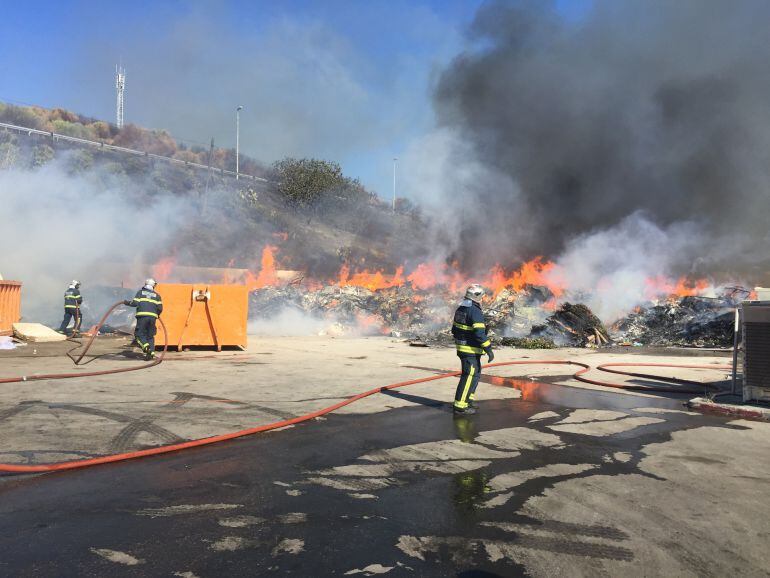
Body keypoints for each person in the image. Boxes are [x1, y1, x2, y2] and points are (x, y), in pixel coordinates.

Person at [451, 284, 494, 414]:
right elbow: (479, 334)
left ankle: (468, 400)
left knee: (475, 375)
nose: (482, 298)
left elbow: (454, 329)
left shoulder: (461, 307)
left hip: (463, 347)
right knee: (469, 375)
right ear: (476, 296)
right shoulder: (474, 311)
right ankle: (460, 406)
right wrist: (489, 349)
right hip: (470, 349)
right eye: (481, 296)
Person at [124, 278, 163, 360]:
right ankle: (151, 353)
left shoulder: (140, 293)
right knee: (150, 336)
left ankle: (146, 348)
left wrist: (127, 303)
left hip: (142, 317)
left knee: (139, 335)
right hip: (152, 318)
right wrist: (157, 315)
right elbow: (160, 308)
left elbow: (134, 303)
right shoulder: (157, 295)